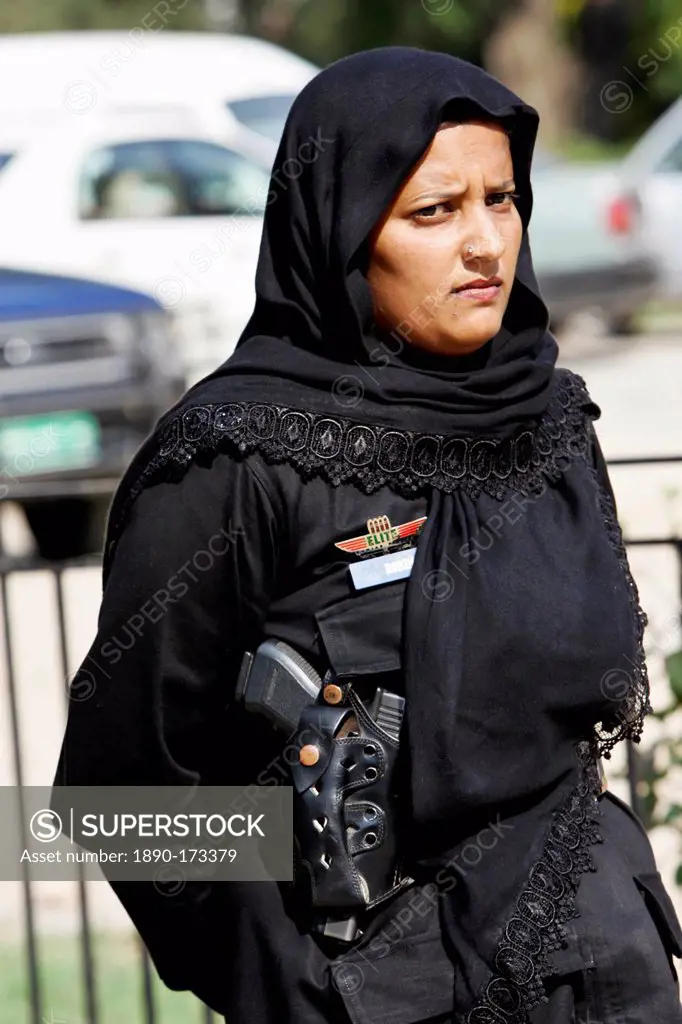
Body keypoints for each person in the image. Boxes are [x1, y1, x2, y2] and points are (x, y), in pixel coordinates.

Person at [52, 47, 682, 1024]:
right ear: (341, 227)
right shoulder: (238, 460)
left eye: (502, 199)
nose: (485, 243)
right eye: (434, 211)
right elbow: (126, 794)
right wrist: (292, 988)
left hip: (604, 970)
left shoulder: (549, 418)